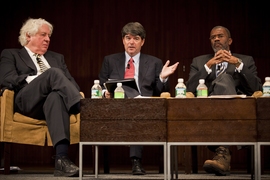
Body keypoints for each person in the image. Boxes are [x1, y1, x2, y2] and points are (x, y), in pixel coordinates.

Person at [0, 18, 82, 177]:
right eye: (43, 35)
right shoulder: (11, 54)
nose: (48, 39)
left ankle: (61, 159)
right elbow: (6, 79)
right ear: (28, 35)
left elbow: (73, 86)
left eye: (49, 36)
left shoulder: (57, 58)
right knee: (52, 73)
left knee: (55, 98)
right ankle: (81, 107)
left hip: (51, 106)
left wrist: (51, 83)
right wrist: (38, 79)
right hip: (26, 102)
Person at [98, 22, 179, 175]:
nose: (131, 42)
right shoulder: (110, 60)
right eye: (128, 38)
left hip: (145, 108)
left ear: (143, 41)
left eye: (136, 38)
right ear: (123, 40)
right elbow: (101, 83)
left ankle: (136, 160)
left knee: (137, 107)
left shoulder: (154, 62)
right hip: (115, 106)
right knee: (130, 99)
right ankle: (136, 161)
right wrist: (105, 93)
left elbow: (161, 91)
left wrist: (162, 78)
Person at [186, 26, 262, 176]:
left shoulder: (245, 60)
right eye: (213, 37)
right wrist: (208, 66)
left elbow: (256, 88)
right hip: (207, 111)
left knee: (225, 78)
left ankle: (222, 154)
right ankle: (223, 154)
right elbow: (189, 88)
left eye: (220, 36)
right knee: (224, 78)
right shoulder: (200, 61)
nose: (216, 39)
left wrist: (237, 64)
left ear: (230, 40)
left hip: (239, 111)